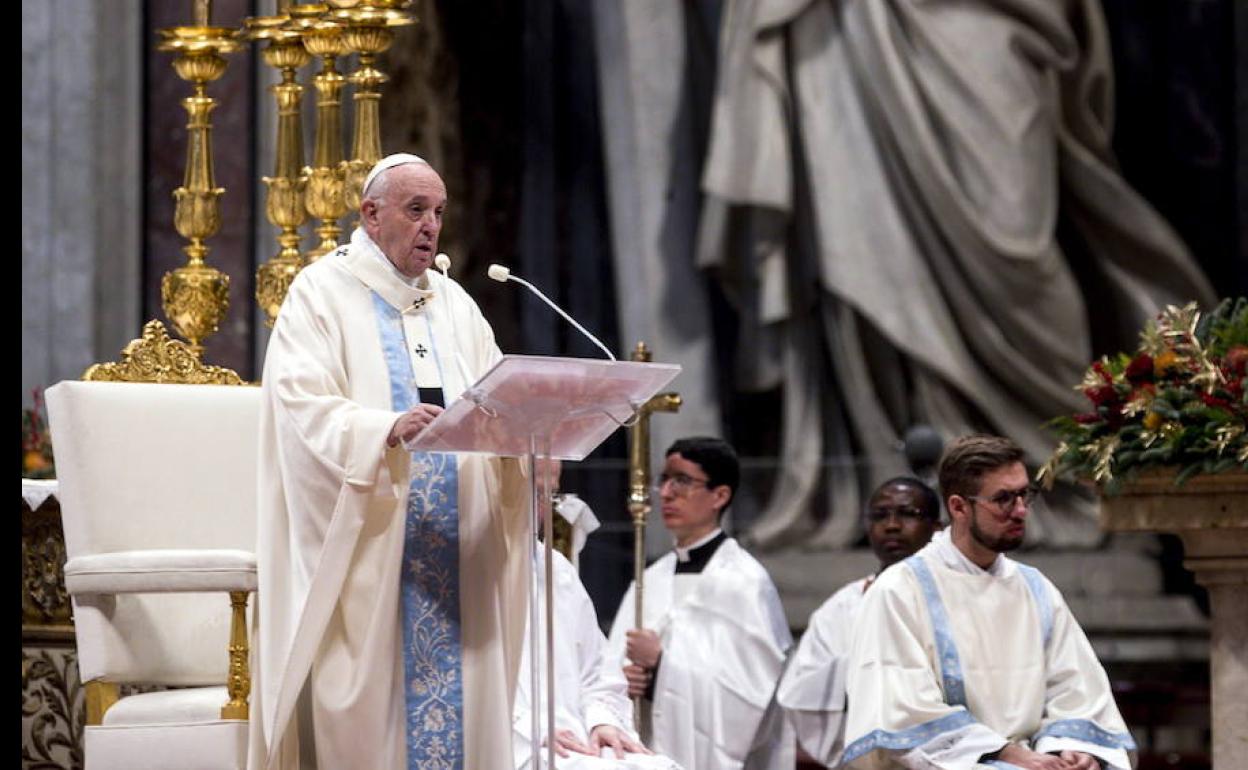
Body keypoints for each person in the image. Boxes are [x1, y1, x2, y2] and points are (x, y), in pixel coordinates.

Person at [250, 154, 531, 770]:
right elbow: (298, 406)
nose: (431, 226)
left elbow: (499, 395)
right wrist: (382, 430)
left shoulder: (454, 303)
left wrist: (529, 447)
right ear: (370, 215)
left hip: (459, 550)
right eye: (415, 210)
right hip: (373, 548)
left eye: (439, 212)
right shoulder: (321, 292)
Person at [843, 435, 1135, 770]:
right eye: (1003, 499)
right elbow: (903, 708)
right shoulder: (900, 590)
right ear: (958, 507)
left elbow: (1075, 687)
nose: (1021, 511)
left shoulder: (1035, 588)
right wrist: (1007, 754)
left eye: (1024, 495)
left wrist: (1070, 748)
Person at [607, 436, 794, 770]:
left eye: (682, 481)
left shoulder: (744, 582)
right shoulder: (648, 580)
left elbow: (749, 698)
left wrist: (662, 666)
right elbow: (608, 672)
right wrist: (625, 680)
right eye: (664, 480)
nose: (666, 493)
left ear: (719, 496)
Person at [777, 477, 942, 767]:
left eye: (907, 514)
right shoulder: (843, 606)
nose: (891, 525)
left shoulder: (956, 597)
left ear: (937, 528)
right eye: (880, 515)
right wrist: (873, 667)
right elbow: (798, 692)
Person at [513, 492, 680, 770]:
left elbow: (597, 670)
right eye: (535, 492)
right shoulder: (466, 576)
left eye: (548, 494)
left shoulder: (557, 570)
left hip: (576, 737)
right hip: (513, 741)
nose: (543, 509)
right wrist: (532, 729)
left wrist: (603, 720)